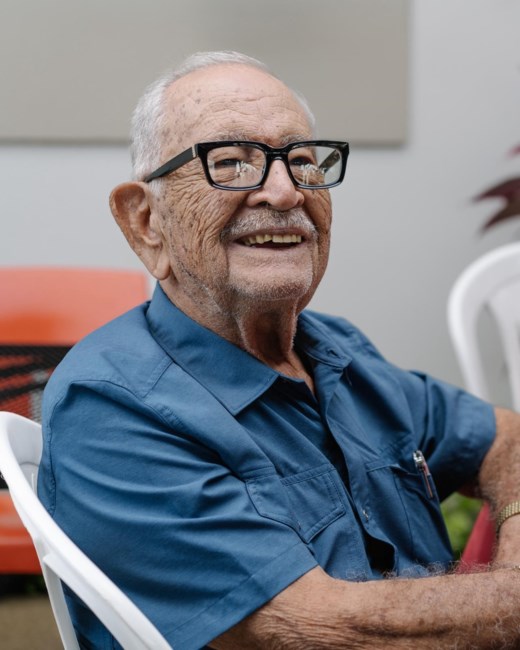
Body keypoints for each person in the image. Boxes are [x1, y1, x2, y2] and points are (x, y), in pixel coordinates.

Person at [39, 51, 520, 649]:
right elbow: (326, 629)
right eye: (230, 162)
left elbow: (506, 439)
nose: (285, 192)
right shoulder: (112, 407)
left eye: (301, 161)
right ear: (145, 223)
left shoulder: (336, 350)